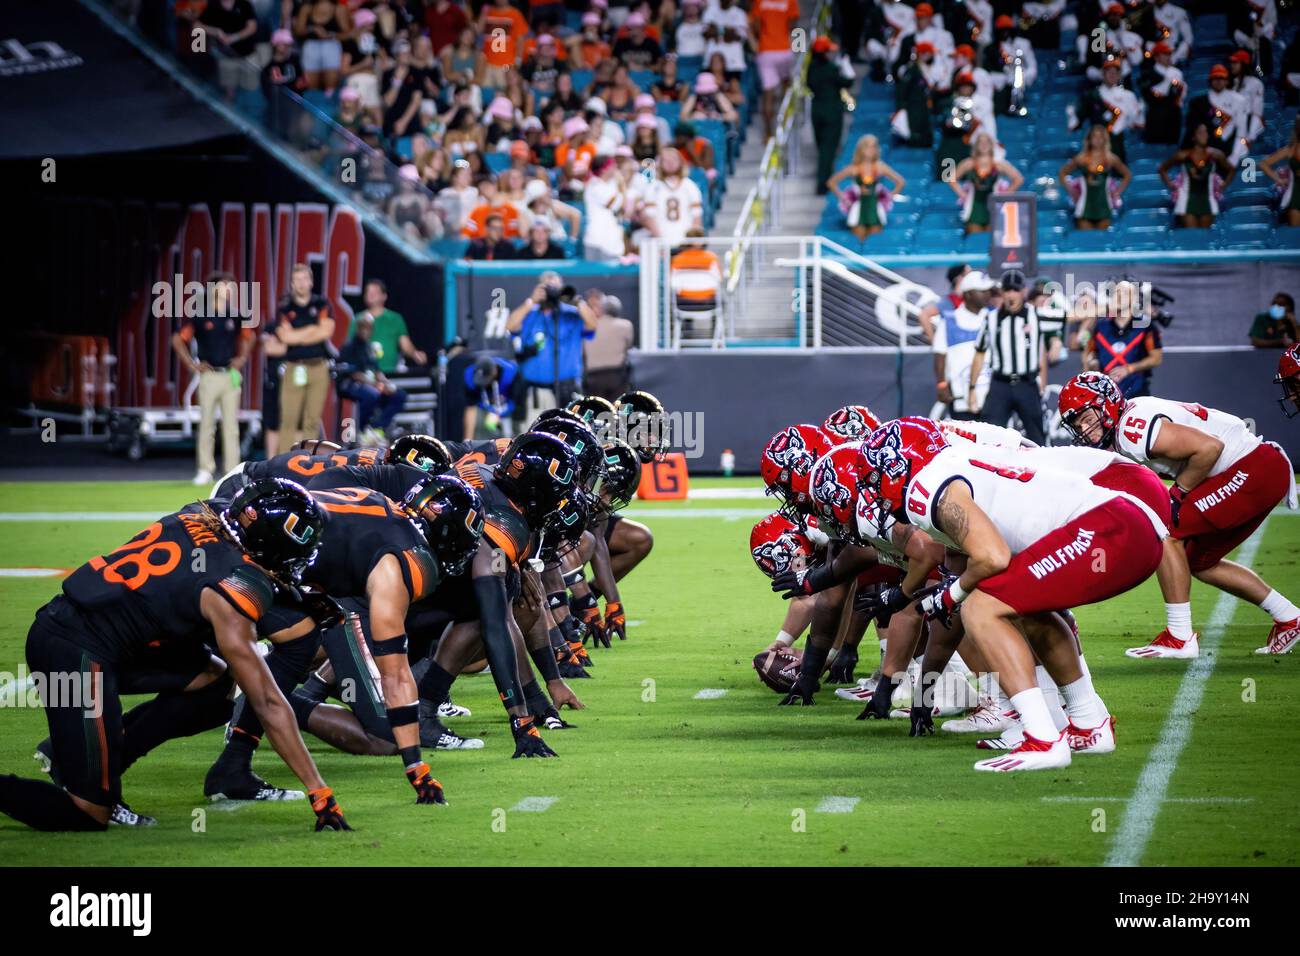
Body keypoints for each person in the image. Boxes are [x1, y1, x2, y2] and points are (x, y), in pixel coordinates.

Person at [0, 481, 347, 831]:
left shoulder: (199, 515)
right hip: (73, 651)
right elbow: (269, 703)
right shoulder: (237, 588)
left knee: (215, 684)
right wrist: (320, 791)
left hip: (103, 634)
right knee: (89, 813)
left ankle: (102, 760)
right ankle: (69, 776)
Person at [1060, 371, 1300, 658]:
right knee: (1199, 561)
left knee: (1166, 531)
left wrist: (1179, 492)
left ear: (1106, 404)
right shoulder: (1129, 421)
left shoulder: (1131, 429)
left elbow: (1210, 448)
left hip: (1251, 469)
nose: (1085, 429)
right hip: (1256, 469)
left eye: (1087, 418)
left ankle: (1179, 636)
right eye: (1077, 424)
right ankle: (1290, 617)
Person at [171, 272, 253, 487]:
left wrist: (242, 357)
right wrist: (191, 363)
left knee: (231, 427)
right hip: (209, 375)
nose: (229, 290)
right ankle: (205, 469)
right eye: (225, 286)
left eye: (231, 287)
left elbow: (248, 336)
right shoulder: (200, 316)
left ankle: (232, 471)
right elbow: (179, 339)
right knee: (207, 424)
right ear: (214, 289)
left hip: (229, 376)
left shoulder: (235, 315)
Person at [968, 270, 1046, 445]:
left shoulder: (1037, 315)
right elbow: (979, 353)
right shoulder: (991, 318)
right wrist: (972, 389)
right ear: (1002, 292)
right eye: (1008, 290)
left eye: (1015, 290)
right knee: (987, 439)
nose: (1011, 295)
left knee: (1038, 439)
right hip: (1000, 385)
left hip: (1027, 384)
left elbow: (1044, 348)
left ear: (1023, 291)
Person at [505, 271, 599, 413]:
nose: (552, 291)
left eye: (556, 287)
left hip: (566, 388)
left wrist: (577, 301)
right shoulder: (530, 313)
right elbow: (510, 326)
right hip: (535, 389)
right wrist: (531, 300)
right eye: (548, 287)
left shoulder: (572, 314)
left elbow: (592, 325)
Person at [274, 264, 334, 449]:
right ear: (292, 283)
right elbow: (284, 337)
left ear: (311, 281)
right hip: (294, 367)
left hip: (318, 366)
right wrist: (312, 329)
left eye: (304, 279)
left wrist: (297, 335)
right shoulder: (285, 307)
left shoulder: (321, 304)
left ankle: (309, 463)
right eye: (297, 280)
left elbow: (327, 331)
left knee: (312, 420)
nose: (301, 284)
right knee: (288, 419)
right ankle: (282, 465)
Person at [1083, 281, 1163, 399]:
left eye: (1125, 293)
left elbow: (1156, 358)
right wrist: (1092, 362)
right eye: (1116, 292)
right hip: (1105, 394)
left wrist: (1129, 369)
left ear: (1134, 299)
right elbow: (1090, 352)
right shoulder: (1100, 326)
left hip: (1137, 393)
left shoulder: (1146, 326)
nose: (1119, 296)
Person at [335, 314, 407, 445]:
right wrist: (376, 385)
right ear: (358, 328)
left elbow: (376, 371)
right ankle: (360, 431)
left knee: (399, 395)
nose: (366, 331)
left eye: (369, 328)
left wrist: (387, 384)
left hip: (371, 385)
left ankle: (376, 428)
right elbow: (354, 374)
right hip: (350, 385)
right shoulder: (349, 347)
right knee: (372, 395)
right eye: (363, 327)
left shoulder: (369, 348)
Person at [933, 270, 995, 420]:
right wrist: (942, 384)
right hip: (961, 398)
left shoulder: (994, 317)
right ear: (968, 294)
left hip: (993, 398)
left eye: (988, 291)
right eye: (982, 291)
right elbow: (939, 355)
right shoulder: (949, 320)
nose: (987, 294)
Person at [826, 134, 905, 239]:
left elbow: (900, 182)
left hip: (875, 208)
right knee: (858, 238)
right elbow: (831, 183)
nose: (871, 150)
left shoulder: (880, 167)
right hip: (858, 208)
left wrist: (889, 197)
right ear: (861, 149)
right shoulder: (854, 168)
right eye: (868, 147)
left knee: (875, 241)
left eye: (874, 147)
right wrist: (843, 198)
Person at [1158, 123, 1234, 228]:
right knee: (1193, 237)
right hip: (1186, 201)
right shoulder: (1182, 155)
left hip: (1208, 200)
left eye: (1206, 132)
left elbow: (1231, 170)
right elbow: (1162, 169)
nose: (1204, 135)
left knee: (1205, 238)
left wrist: (1223, 186)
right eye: (1201, 133)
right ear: (1193, 137)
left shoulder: (1216, 154)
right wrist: (1171, 185)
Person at [807, 35, 856, 196]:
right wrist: (846, 67)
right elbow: (848, 82)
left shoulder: (811, 68)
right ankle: (823, 184)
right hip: (832, 112)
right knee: (828, 150)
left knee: (822, 148)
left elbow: (809, 85)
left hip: (816, 111)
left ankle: (825, 179)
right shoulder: (831, 69)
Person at [1059, 124, 1130, 230]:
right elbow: (1062, 173)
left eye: (1100, 136)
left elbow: (1127, 175)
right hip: (1084, 205)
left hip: (1104, 205)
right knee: (1086, 240)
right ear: (1089, 139)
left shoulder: (1111, 158)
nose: (1097, 139)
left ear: (1105, 139)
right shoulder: (1081, 158)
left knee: (1102, 240)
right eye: (1094, 136)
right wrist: (1072, 192)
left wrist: (1117, 193)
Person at [949, 133, 1023, 233]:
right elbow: (951, 179)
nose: (983, 144)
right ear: (976, 145)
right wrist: (963, 195)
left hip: (993, 206)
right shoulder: (968, 163)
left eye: (986, 142)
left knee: (991, 239)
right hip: (974, 207)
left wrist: (1005, 194)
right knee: (976, 239)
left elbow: (1018, 179)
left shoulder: (999, 164)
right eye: (981, 142)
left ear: (991, 145)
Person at [751, 0, 801, 139]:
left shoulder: (760, 1)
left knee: (768, 95)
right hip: (785, 50)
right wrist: (798, 48)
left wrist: (759, 39)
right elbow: (794, 26)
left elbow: (754, 24)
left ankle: (768, 133)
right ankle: (786, 122)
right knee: (787, 85)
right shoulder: (790, 1)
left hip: (766, 51)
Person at [356, 278, 426, 375]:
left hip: (390, 374)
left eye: (374, 292)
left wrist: (414, 354)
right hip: (365, 374)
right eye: (368, 292)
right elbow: (352, 346)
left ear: (384, 296)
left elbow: (405, 344)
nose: (370, 295)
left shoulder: (395, 319)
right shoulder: (358, 319)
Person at [200, 0, 262, 101]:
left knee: (251, 90)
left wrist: (234, 38)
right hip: (226, 56)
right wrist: (216, 32)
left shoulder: (244, 4)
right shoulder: (214, 5)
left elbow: (252, 27)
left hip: (248, 55)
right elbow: (198, 25)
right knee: (229, 92)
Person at [583, 294, 635, 400]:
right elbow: (628, 346)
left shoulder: (589, 327)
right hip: (616, 375)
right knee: (617, 410)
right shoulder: (625, 325)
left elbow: (583, 351)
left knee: (597, 410)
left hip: (593, 377)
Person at [463, 355, 518, 439]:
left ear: (494, 372)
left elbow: (517, 402)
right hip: (484, 410)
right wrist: (468, 439)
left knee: (509, 431)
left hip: (506, 406)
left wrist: (500, 413)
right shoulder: (470, 375)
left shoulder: (511, 374)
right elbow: (471, 405)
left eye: (486, 378)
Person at [1260, 115, 1300, 226]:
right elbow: (1263, 164)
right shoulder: (1290, 149)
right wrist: (1279, 180)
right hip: (1296, 195)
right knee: (1296, 235)